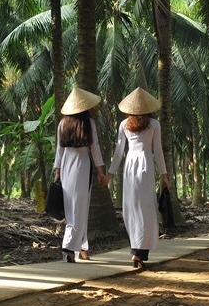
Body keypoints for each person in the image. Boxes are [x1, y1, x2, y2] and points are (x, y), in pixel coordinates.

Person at [105, 87, 169, 270]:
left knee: (131, 208)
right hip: (146, 166)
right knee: (146, 208)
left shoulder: (124, 124)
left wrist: (110, 174)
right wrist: (164, 175)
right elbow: (158, 152)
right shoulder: (154, 125)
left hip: (130, 166)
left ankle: (135, 249)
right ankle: (139, 252)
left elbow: (118, 153)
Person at [54, 87, 107, 263]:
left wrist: (57, 172)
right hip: (83, 166)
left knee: (73, 208)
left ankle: (83, 247)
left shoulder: (63, 124)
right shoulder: (88, 123)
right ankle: (69, 248)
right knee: (79, 208)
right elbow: (95, 148)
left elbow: (59, 151)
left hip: (66, 167)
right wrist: (101, 171)